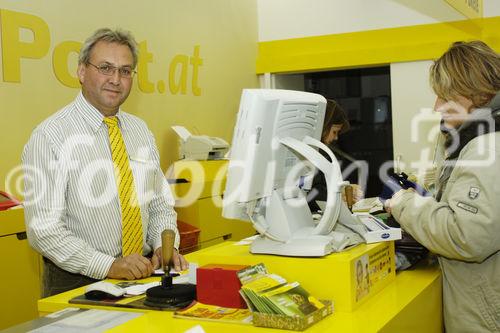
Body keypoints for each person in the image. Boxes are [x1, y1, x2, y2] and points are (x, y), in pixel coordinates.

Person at [22, 28, 188, 297]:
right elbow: (44, 229)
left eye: (125, 71)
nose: (115, 79)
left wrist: (162, 246)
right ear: (81, 71)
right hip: (79, 281)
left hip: (143, 275)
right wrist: (109, 265)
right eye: (105, 68)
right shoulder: (50, 136)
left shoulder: (140, 131)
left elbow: (159, 204)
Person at [385, 41, 500, 333]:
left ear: (480, 95)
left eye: (445, 96)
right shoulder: (480, 138)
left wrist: (402, 203)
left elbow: (466, 235)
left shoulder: (489, 146)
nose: (437, 106)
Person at [307, 99, 361, 211]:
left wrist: (344, 190)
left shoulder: (320, 153)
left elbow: (324, 186)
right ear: (324, 126)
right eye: (334, 132)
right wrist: (339, 196)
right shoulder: (308, 154)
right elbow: (311, 194)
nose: (336, 138)